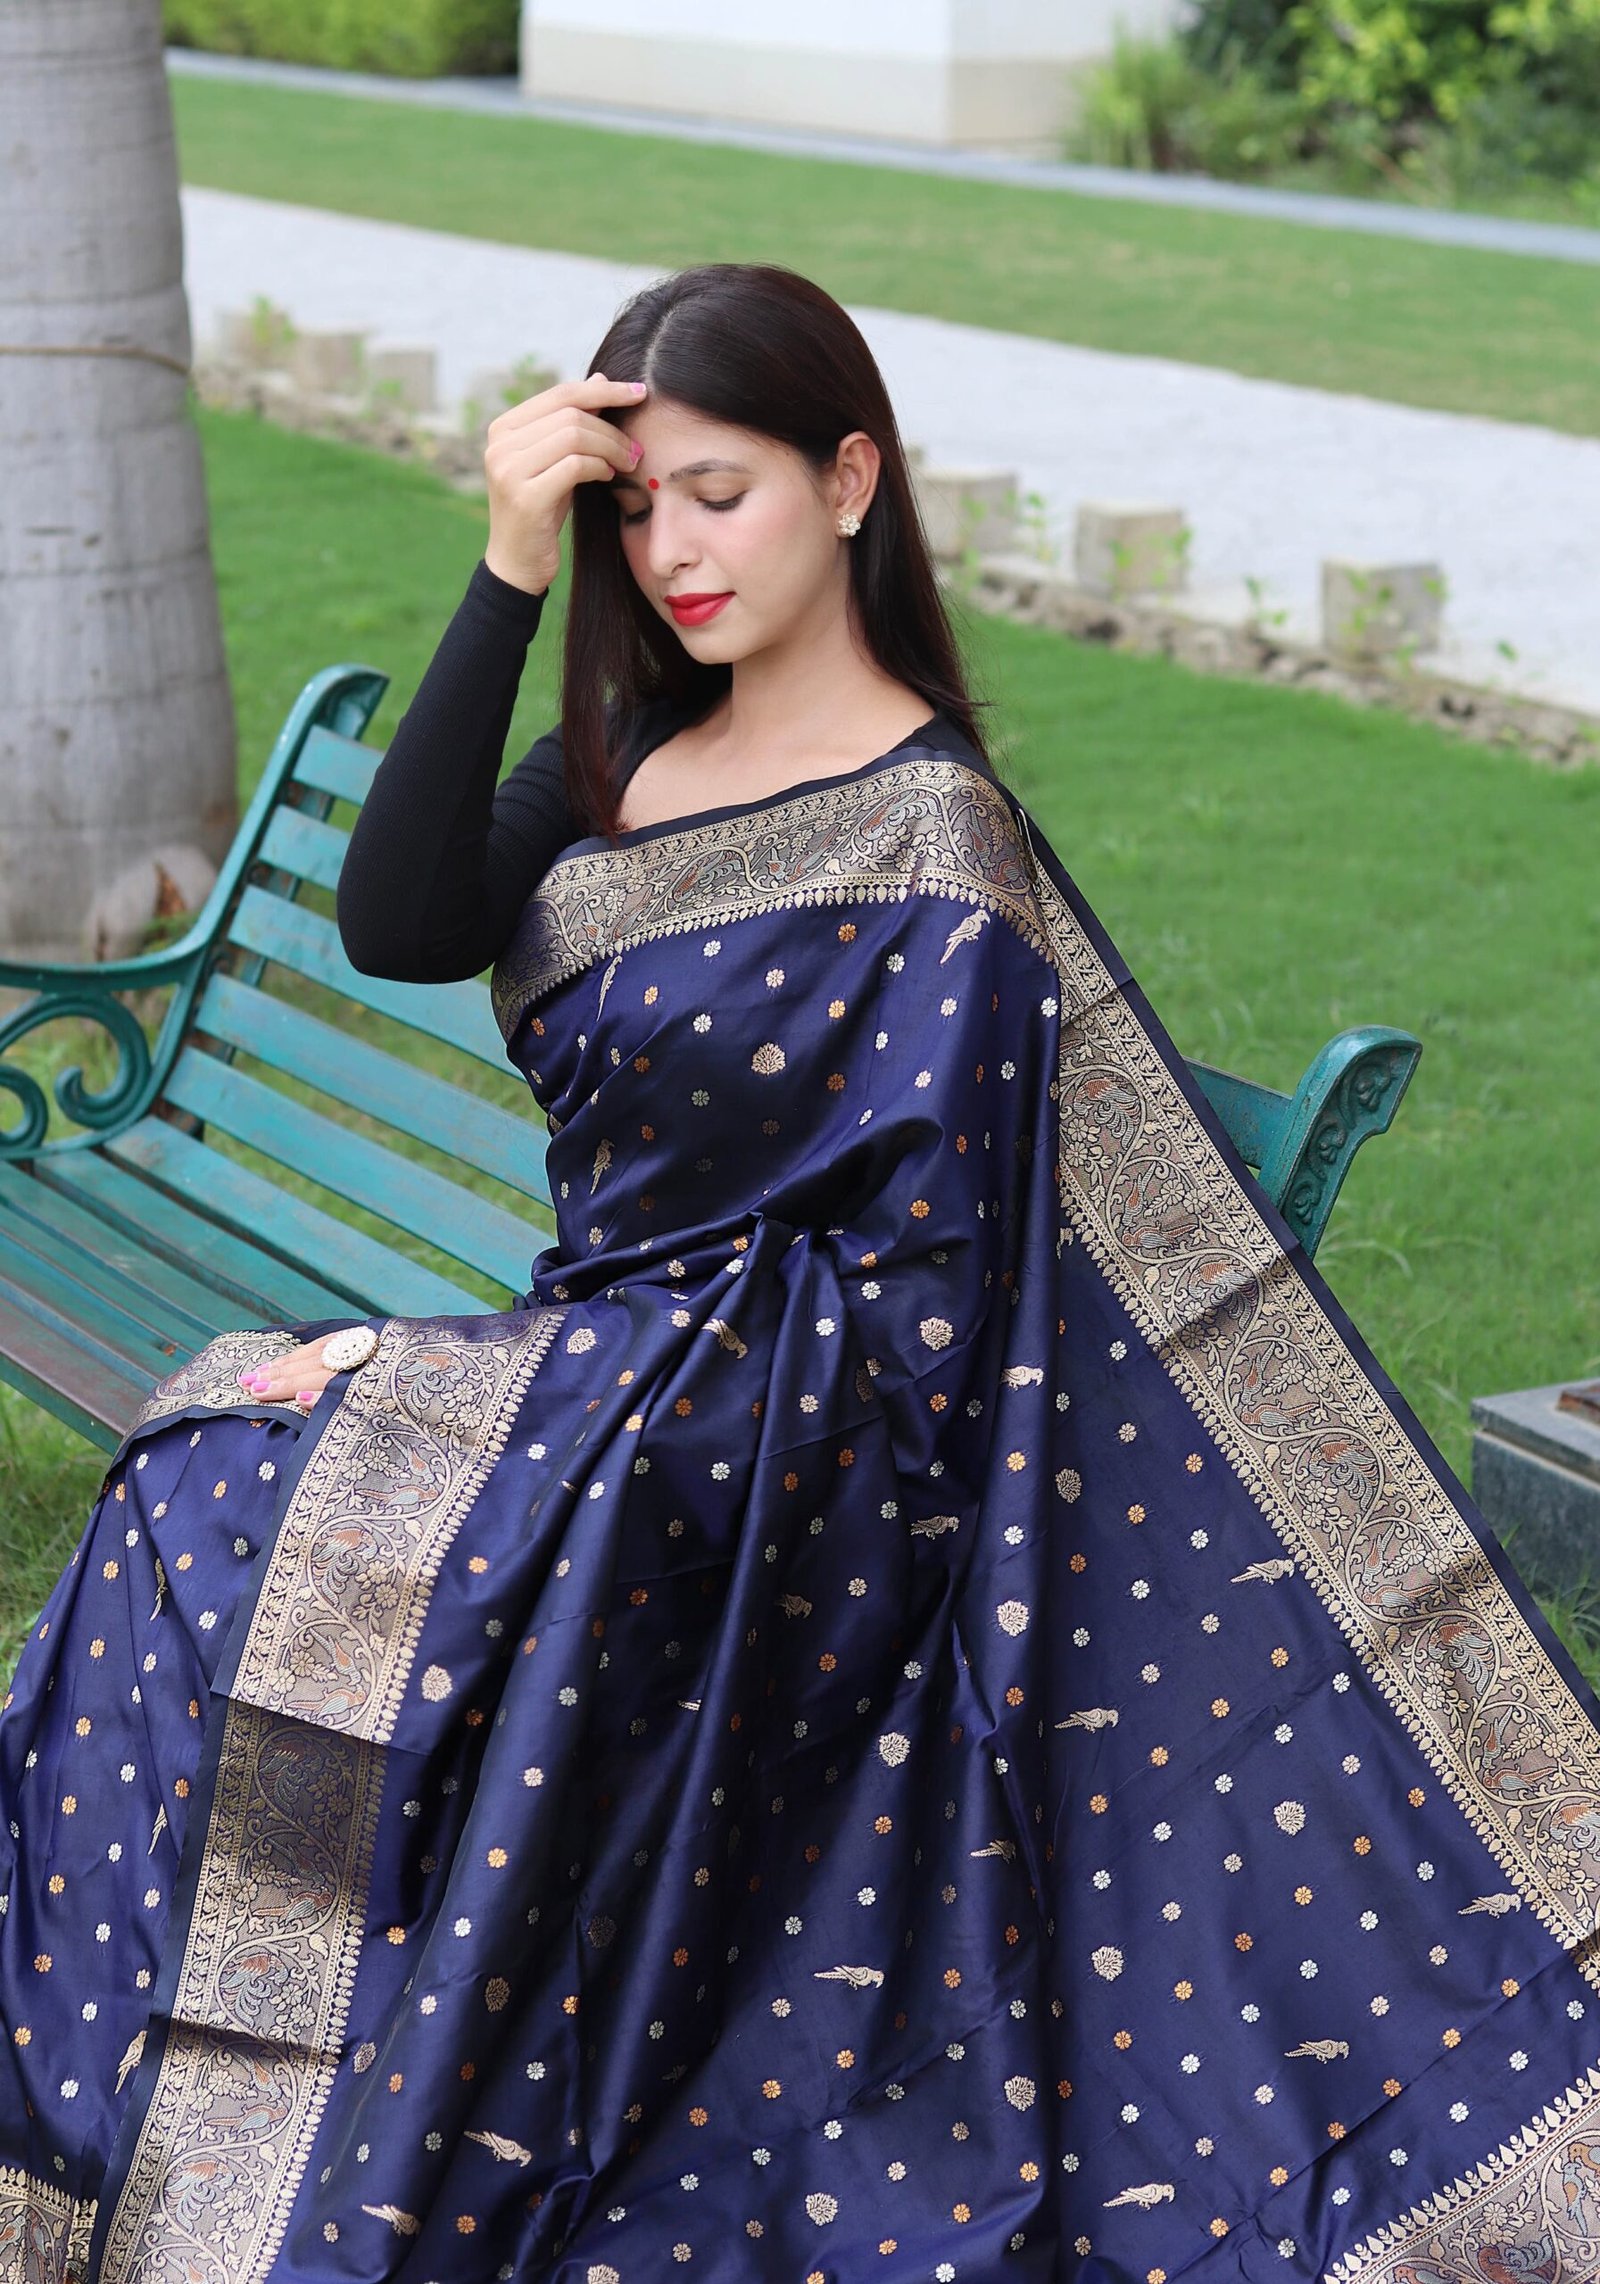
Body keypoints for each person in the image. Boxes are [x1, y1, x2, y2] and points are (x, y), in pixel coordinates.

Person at [4, 261, 1600, 2284]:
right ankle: (151, 2120)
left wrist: (520, 1393)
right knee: (201, 1469)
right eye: (634, 510)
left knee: (227, 1488)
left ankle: (239, 2119)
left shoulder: (934, 830)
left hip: (777, 1448)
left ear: (848, 482)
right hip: (605, 1381)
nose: (672, 553)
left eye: (720, 493)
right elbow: (397, 918)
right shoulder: (618, 754)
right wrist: (507, 566)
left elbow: (919, 1296)